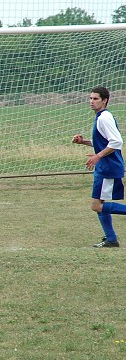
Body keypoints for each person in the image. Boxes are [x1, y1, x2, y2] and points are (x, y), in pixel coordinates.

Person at [72, 86, 126, 248]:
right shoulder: (102, 117)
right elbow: (103, 142)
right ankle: (110, 239)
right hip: (105, 166)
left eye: (95, 99)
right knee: (99, 204)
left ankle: (111, 239)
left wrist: (98, 156)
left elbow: (117, 142)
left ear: (105, 100)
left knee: (96, 205)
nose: (91, 101)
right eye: (90, 98)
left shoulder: (104, 118)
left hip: (107, 167)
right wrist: (83, 142)